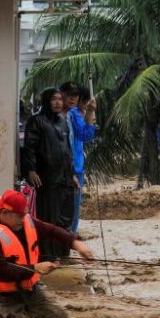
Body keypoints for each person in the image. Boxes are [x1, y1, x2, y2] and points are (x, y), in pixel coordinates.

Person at [0, 189, 93, 318]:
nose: (22, 219)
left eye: (24, 215)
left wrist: (77, 244)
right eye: (18, 216)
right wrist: (35, 268)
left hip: (30, 288)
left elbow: (52, 231)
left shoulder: (25, 221)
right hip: (1, 295)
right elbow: (2, 271)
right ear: (4, 213)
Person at [22, 88, 76, 260]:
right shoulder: (36, 121)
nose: (58, 102)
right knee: (49, 218)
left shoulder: (62, 121)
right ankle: (47, 256)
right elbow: (29, 148)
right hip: (47, 178)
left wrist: (72, 174)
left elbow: (67, 150)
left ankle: (62, 253)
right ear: (46, 101)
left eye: (60, 99)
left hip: (65, 178)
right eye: (54, 99)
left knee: (65, 219)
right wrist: (31, 170)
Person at [60, 83, 97, 233]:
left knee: (73, 205)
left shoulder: (72, 114)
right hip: (73, 167)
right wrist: (90, 113)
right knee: (72, 207)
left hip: (76, 166)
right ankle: (69, 237)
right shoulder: (74, 113)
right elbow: (85, 135)